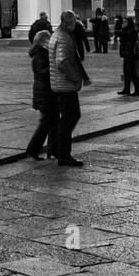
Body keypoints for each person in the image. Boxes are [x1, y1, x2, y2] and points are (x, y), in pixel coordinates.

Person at [48, 11, 87, 166]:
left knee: (66, 119)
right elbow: (62, 62)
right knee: (70, 118)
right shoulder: (63, 38)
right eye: (74, 22)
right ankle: (63, 154)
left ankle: (59, 150)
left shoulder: (57, 34)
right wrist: (76, 78)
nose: (75, 25)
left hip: (60, 84)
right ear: (68, 22)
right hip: (66, 85)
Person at [26, 29, 59, 160]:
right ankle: (33, 149)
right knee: (46, 123)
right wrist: (54, 66)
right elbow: (43, 73)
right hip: (44, 93)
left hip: (47, 92)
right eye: (48, 39)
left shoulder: (44, 54)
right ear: (42, 41)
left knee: (53, 122)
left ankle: (53, 150)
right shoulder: (40, 55)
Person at [118, 16, 139, 96]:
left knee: (132, 72)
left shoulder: (130, 31)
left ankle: (138, 90)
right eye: (123, 22)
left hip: (130, 54)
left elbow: (129, 43)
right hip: (126, 54)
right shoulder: (126, 30)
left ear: (129, 23)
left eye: (125, 22)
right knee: (126, 72)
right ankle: (126, 89)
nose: (123, 23)